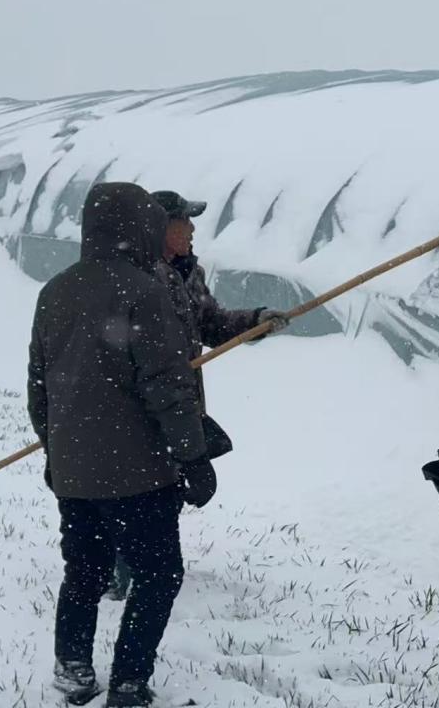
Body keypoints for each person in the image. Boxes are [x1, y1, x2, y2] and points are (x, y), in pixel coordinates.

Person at [28, 182, 212, 707]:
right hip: (138, 477)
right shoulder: (144, 292)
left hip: (76, 475)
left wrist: (55, 452)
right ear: (140, 227)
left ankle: (73, 670)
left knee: (83, 572)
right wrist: (192, 456)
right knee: (159, 575)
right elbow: (168, 389)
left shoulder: (55, 291)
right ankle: (129, 681)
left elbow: (39, 387)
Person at [105, 189, 290, 600]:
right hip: (141, 403)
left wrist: (255, 321)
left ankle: (149, 563)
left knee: (167, 483)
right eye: (183, 221)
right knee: (136, 485)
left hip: (181, 401)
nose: (191, 228)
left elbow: (211, 323)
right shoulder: (135, 278)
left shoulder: (189, 273)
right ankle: (120, 570)